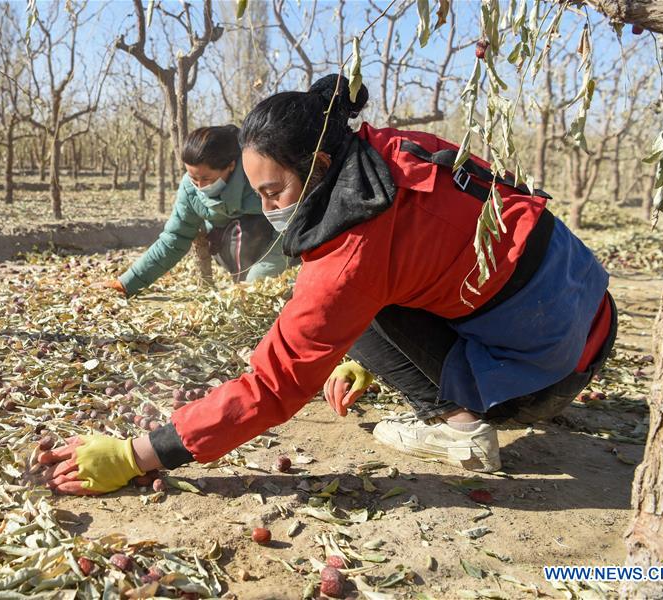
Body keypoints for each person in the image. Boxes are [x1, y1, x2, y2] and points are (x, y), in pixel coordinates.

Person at [40, 75, 617, 494]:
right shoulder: (392, 147)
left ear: (316, 168)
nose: (268, 210)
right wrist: (375, 360)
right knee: (363, 317)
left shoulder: (347, 259)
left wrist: (139, 453)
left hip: (545, 377)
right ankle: (437, 379)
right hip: (593, 318)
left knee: (355, 313)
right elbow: (450, 242)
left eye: (274, 193)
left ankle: (460, 431)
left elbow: (273, 386)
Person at [101, 125, 291, 296]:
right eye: (193, 178)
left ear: (231, 166)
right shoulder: (189, 188)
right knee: (236, 237)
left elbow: (284, 230)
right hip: (226, 245)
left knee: (246, 233)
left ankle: (249, 290)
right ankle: (242, 288)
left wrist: (257, 283)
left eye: (207, 179)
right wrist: (127, 283)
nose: (199, 186)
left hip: (272, 242)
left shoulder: (256, 177)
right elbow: (174, 239)